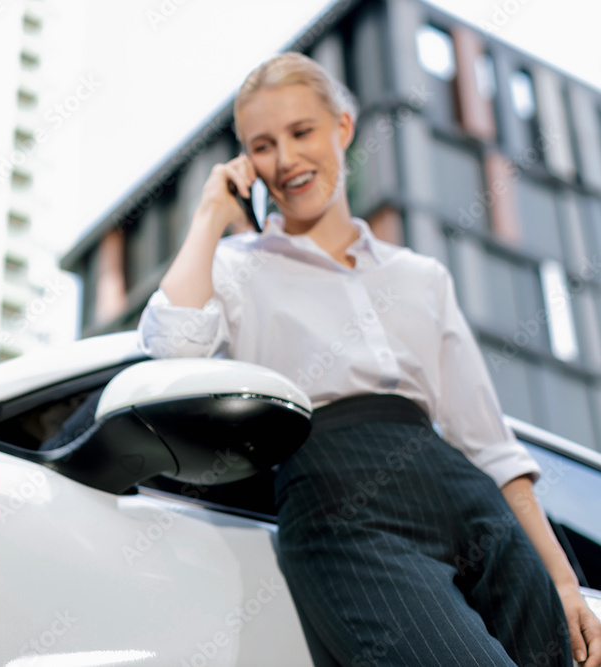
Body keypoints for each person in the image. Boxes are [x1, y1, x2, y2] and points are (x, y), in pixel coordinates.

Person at [136, 51, 601, 666]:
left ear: (343, 128)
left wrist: (564, 580)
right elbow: (171, 346)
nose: (288, 160)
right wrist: (210, 216)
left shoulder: (420, 277)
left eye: (302, 132)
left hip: (466, 497)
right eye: (264, 145)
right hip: (338, 497)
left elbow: (489, 445)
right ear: (246, 162)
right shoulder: (236, 267)